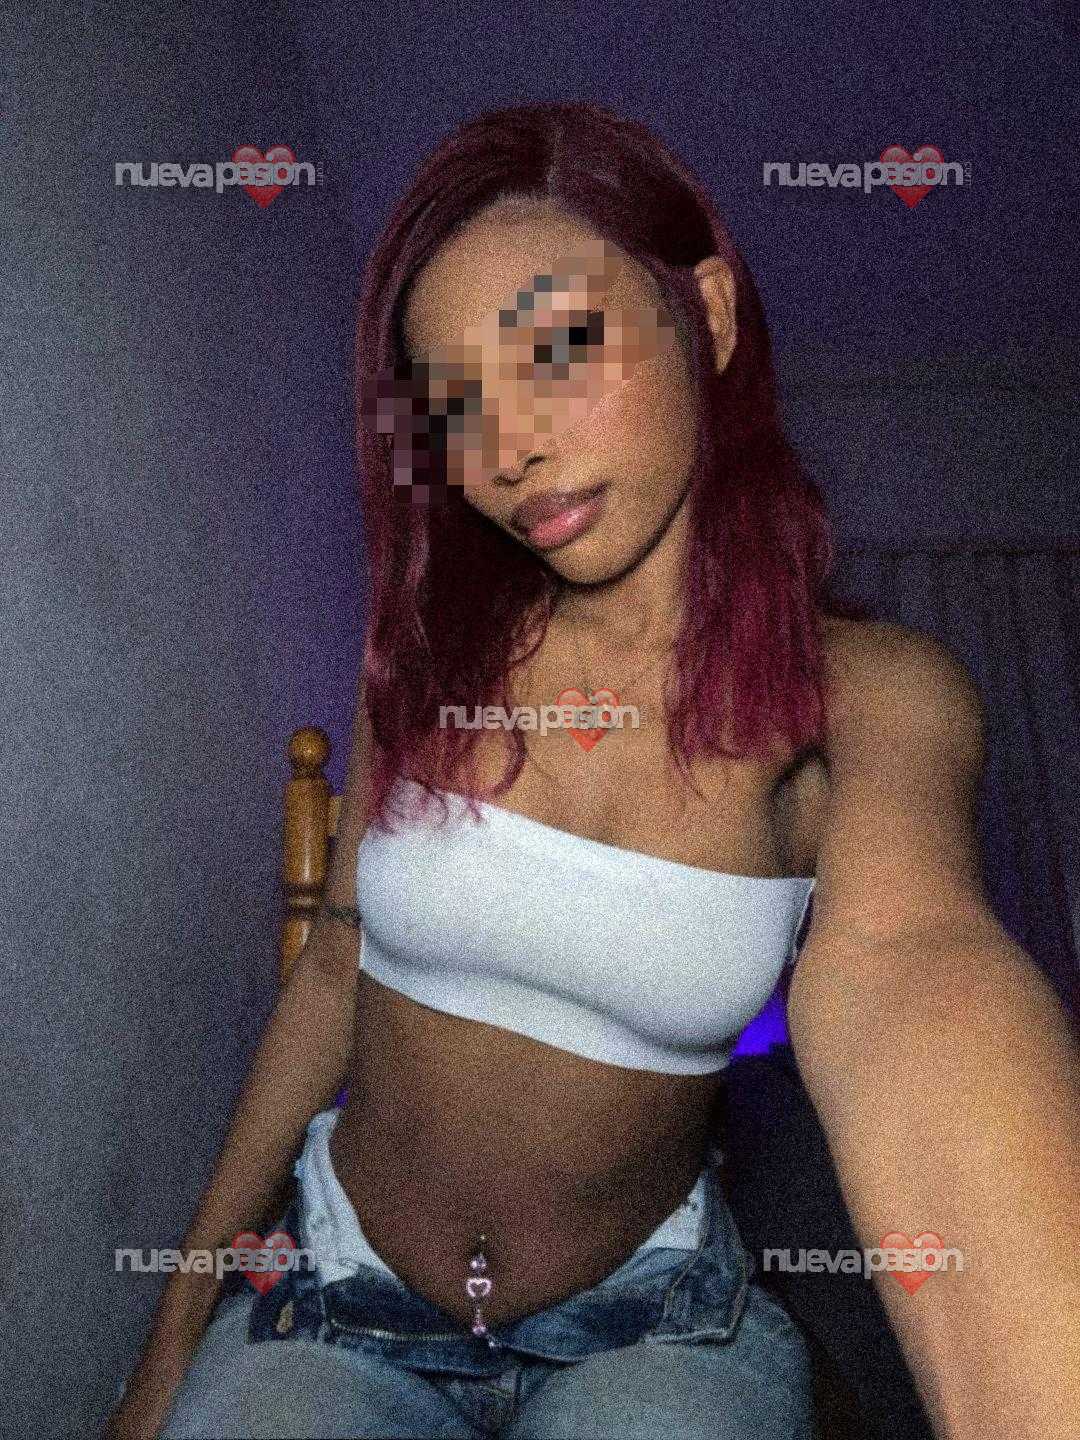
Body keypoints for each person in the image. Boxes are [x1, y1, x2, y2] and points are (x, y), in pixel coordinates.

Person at [109, 100, 1079, 1440]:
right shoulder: (426, 666)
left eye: (558, 347)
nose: (506, 449)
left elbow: (914, 967)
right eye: (455, 404)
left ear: (710, 316)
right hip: (333, 1303)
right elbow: (333, 967)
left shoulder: (865, 699)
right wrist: (174, 1331)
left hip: (655, 1330)